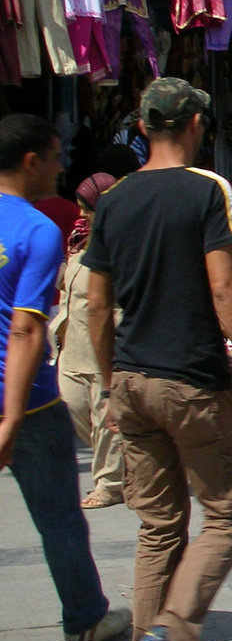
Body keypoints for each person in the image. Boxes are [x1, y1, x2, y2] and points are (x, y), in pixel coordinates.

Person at [86, 78, 232, 641]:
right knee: (230, 508)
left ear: (142, 129)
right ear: (194, 125)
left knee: (159, 529)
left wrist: (112, 383)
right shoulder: (206, 190)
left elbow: (96, 302)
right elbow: (226, 287)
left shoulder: (114, 200)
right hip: (188, 378)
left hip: (132, 381)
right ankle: (169, 639)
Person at [0, 114, 131, 641]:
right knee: (58, 517)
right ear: (31, 161)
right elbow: (28, 330)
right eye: (55, 156)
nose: (61, 166)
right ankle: (83, 617)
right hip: (27, 402)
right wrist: (9, 419)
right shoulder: (36, 230)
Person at [53, 172, 124, 509]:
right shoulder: (78, 241)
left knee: (105, 418)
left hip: (101, 346)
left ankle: (109, 484)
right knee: (75, 407)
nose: (81, 214)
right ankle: (129, 466)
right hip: (71, 346)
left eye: (87, 208)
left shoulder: (120, 244)